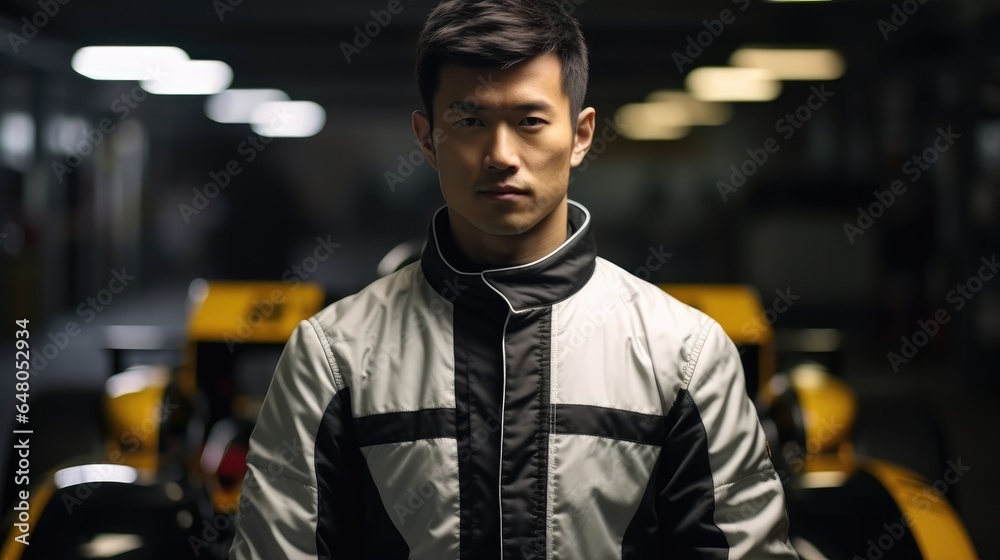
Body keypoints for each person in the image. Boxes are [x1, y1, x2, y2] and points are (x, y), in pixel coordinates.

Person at [230, 0, 797, 558]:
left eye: (529, 121)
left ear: (580, 135)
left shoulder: (684, 354)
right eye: (470, 121)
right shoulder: (332, 358)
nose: (501, 155)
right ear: (427, 138)